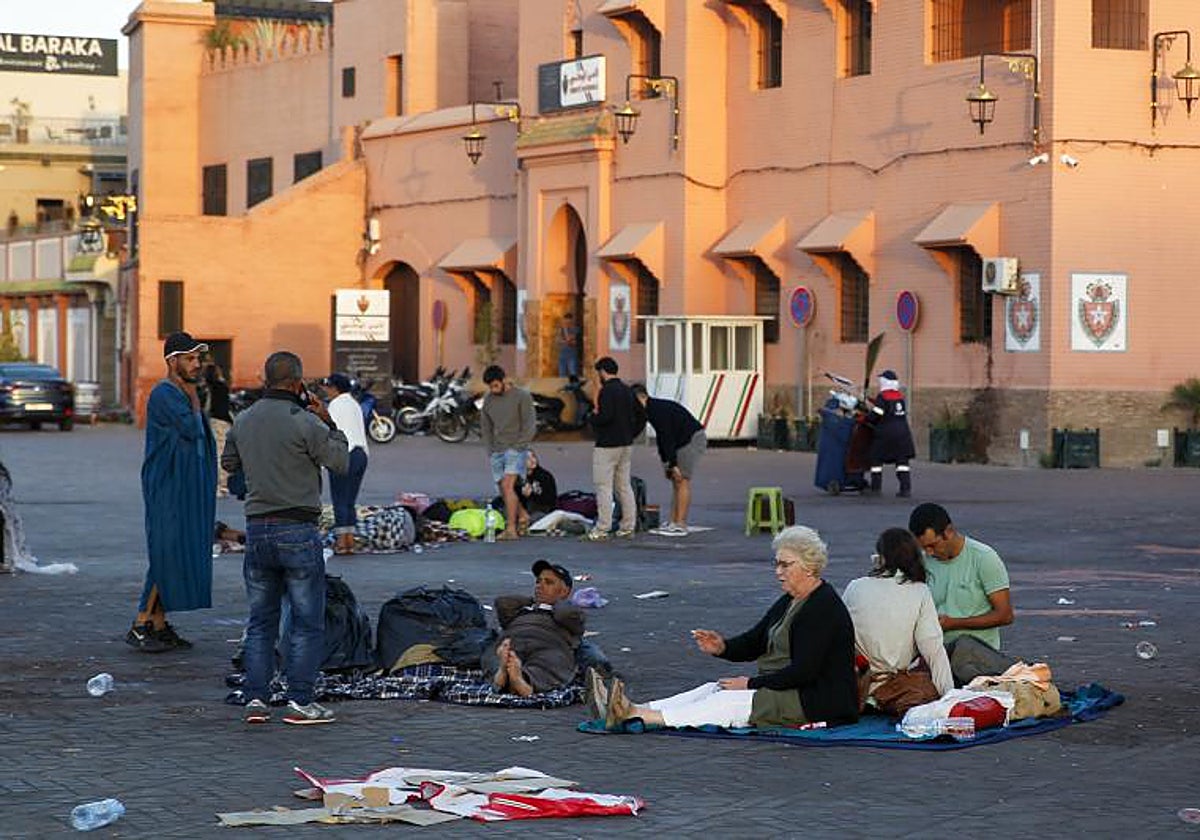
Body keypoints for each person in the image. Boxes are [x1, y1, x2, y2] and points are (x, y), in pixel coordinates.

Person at [595, 526, 859, 729]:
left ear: (809, 567)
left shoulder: (823, 608)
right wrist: (722, 647)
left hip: (816, 701)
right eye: (776, 563)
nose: (778, 571)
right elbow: (755, 641)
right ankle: (634, 707)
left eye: (785, 564)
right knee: (713, 688)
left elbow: (804, 672)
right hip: (789, 688)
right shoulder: (791, 600)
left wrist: (751, 683)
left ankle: (640, 716)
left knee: (728, 700)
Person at [222, 351, 349, 725]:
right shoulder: (305, 421)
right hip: (297, 529)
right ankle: (299, 701)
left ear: (266, 380)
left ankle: (256, 700)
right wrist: (329, 422)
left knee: (261, 621)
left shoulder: (244, 419)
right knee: (307, 622)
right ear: (297, 383)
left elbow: (229, 464)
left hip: (257, 530)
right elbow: (340, 461)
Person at [126, 332, 218, 654]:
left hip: (186, 484)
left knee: (177, 550)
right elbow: (191, 429)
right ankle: (141, 623)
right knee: (166, 551)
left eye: (198, 358)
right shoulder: (166, 393)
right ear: (172, 361)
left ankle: (159, 624)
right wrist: (193, 395)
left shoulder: (182, 392)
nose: (196, 364)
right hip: (168, 484)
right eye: (190, 359)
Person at [843, 528, 953, 708]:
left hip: (855, 688)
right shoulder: (919, 591)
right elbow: (933, 651)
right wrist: (949, 698)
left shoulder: (855, 587)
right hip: (895, 691)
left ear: (881, 558)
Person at [908, 503, 1017, 686]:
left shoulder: (983, 558)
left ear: (949, 532)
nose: (929, 552)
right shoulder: (924, 561)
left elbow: (1005, 615)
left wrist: (954, 623)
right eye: (924, 548)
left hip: (976, 659)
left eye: (933, 545)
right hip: (936, 653)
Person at [484, 559, 584, 697]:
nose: (539, 586)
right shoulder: (527, 608)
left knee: (552, 662)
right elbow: (503, 603)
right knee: (494, 654)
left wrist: (556, 603)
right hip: (514, 638)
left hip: (549, 643)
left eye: (548, 582)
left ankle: (522, 681)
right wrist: (533, 602)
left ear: (564, 591)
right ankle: (501, 673)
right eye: (538, 581)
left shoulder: (569, 611)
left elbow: (566, 615)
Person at [630, 384, 705, 535]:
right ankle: (673, 521)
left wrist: (673, 464)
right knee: (675, 481)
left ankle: (680, 523)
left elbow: (667, 437)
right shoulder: (650, 410)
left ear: (641, 397)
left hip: (690, 439)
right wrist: (667, 462)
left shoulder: (657, 410)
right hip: (679, 441)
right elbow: (662, 439)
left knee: (682, 480)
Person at [479, 365, 537, 540]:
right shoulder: (488, 400)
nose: (493, 389)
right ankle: (523, 515)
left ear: (504, 380)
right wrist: (490, 448)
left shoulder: (521, 396)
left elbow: (529, 424)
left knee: (507, 486)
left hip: (516, 448)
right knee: (502, 487)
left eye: (496, 385)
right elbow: (486, 426)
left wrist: (520, 446)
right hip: (497, 449)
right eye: (490, 386)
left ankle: (511, 528)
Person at [586, 357, 640, 541]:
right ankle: (628, 526)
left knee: (603, 486)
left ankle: (603, 527)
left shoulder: (607, 392)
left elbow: (605, 417)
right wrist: (631, 433)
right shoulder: (627, 390)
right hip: (626, 444)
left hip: (607, 445)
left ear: (602, 372)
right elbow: (641, 414)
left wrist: (592, 417)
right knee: (624, 486)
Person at [324, 373, 369, 555]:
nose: (326, 390)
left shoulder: (335, 405)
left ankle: (342, 543)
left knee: (339, 499)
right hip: (360, 454)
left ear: (335, 388)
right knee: (350, 500)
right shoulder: (354, 404)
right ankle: (350, 540)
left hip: (343, 454)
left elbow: (329, 431)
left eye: (328, 387)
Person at [867, 369, 915, 497]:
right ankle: (905, 489)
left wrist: (867, 418)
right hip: (903, 433)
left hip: (886, 434)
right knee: (902, 462)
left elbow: (877, 414)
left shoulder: (883, 396)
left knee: (876, 460)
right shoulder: (899, 397)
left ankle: (875, 488)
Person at [202, 359, 234, 497]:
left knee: (215, 452)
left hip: (213, 421)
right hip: (222, 421)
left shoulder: (207, 388)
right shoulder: (220, 386)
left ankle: (219, 484)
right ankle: (222, 484)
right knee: (221, 452)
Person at [519, 450, 558, 519]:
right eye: (527, 458)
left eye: (533, 456)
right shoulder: (519, 478)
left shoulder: (544, 476)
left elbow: (550, 501)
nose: (532, 460)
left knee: (536, 516)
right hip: (524, 512)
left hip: (543, 511)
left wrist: (531, 495)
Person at [555, 312, 580, 378]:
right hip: (562, 355)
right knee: (562, 375)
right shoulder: (561, 329)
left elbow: (574, 341)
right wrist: (566, 341)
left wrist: (567, 340)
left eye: (569, 322)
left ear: (572, 321)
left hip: (571, 355)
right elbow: (557, 341)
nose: (567, 323)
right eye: (565, 321)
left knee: (573, 373)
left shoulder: (576, 329)